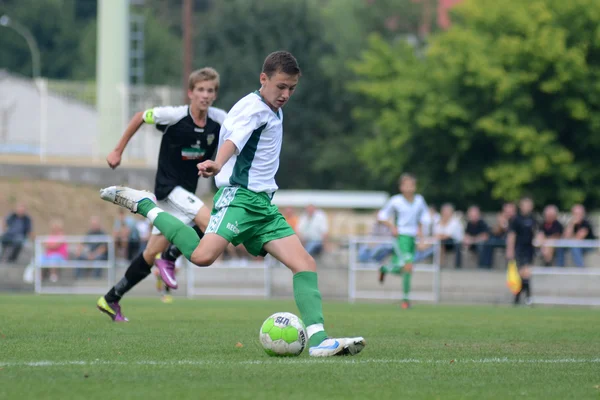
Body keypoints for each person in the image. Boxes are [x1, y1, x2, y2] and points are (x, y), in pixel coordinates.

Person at [99, 51, 365, 357]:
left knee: (304, 263)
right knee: (201, 256)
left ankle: (318, 341)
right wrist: (216, 162)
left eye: (291, 88)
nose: (286, 94)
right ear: (263, 79)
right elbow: (234, 141)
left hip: (263, 206)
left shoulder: (270, 107)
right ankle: (146, 205)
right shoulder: (252, 109)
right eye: (281, 86)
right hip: (239, 198)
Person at [96, 68, 227, 320]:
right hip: (168, 188)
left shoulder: (220, 120)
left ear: (215, 94)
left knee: (148, 254)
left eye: (210, 90)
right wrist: (117, 151)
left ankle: (111, 298)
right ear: (190, 92)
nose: (205, 95)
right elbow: (138, 117)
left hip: (184, 194)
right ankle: (169, 258)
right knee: (212, 223)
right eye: (200, 89)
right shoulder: (174, 115)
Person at [376, 173, 428, 309]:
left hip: (412, 239)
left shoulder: (419, 201)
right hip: (401, 237)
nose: (409, 187)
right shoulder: (395, 201)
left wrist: (421, 238)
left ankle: (385, 268)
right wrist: (392, 226)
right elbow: (381, 216)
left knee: (406, 269)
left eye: (412, 184)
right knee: (408, 266)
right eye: (406, 184)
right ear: (401, 187)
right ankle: (405, 300)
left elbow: (423, 219)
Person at [506, 196, 537, 305]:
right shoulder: (516, 220)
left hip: (529, 249)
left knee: (525, 274)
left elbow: (537, 233)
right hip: (519, 249)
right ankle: (527, 298)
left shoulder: (533, 219)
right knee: (523, 274)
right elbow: (511, 235)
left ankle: (518, 299)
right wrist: (510, 249)